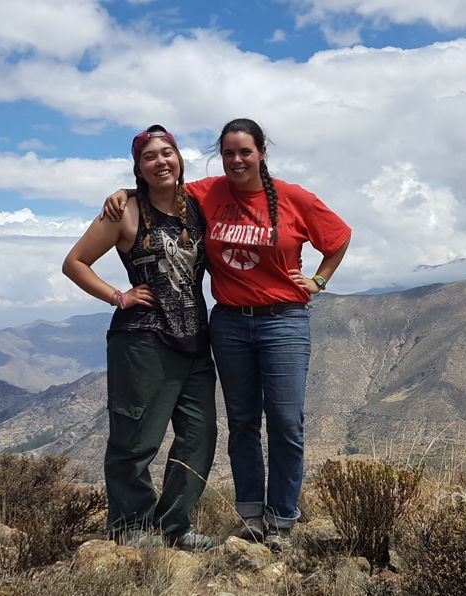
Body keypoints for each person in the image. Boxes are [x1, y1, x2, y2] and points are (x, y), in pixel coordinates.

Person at [102, 118, 351, 549]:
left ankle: (282, 520)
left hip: (284, 320)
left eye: (245, 152)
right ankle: (252, 516)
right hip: (230, 323)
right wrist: (124, 193)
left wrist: (319, 280)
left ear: (261, 153)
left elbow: (339, 236)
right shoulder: (207, 191)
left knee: (287, 423)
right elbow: (161, 185)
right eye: (229, 153)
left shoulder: (293, 197)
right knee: (241, 424)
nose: (237, 160)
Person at [62, 125, 217, 551]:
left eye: (168, 152)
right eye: (150, 156)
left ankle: (175, 526)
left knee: (200, 436)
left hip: (195, 339)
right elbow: (75, 262)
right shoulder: (125, 211)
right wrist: (119, 296)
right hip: (143, 340)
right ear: (139, 168)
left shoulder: (198, 205)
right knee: (136, 438)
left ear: (180, 159)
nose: (161, 161)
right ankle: (129, 528)